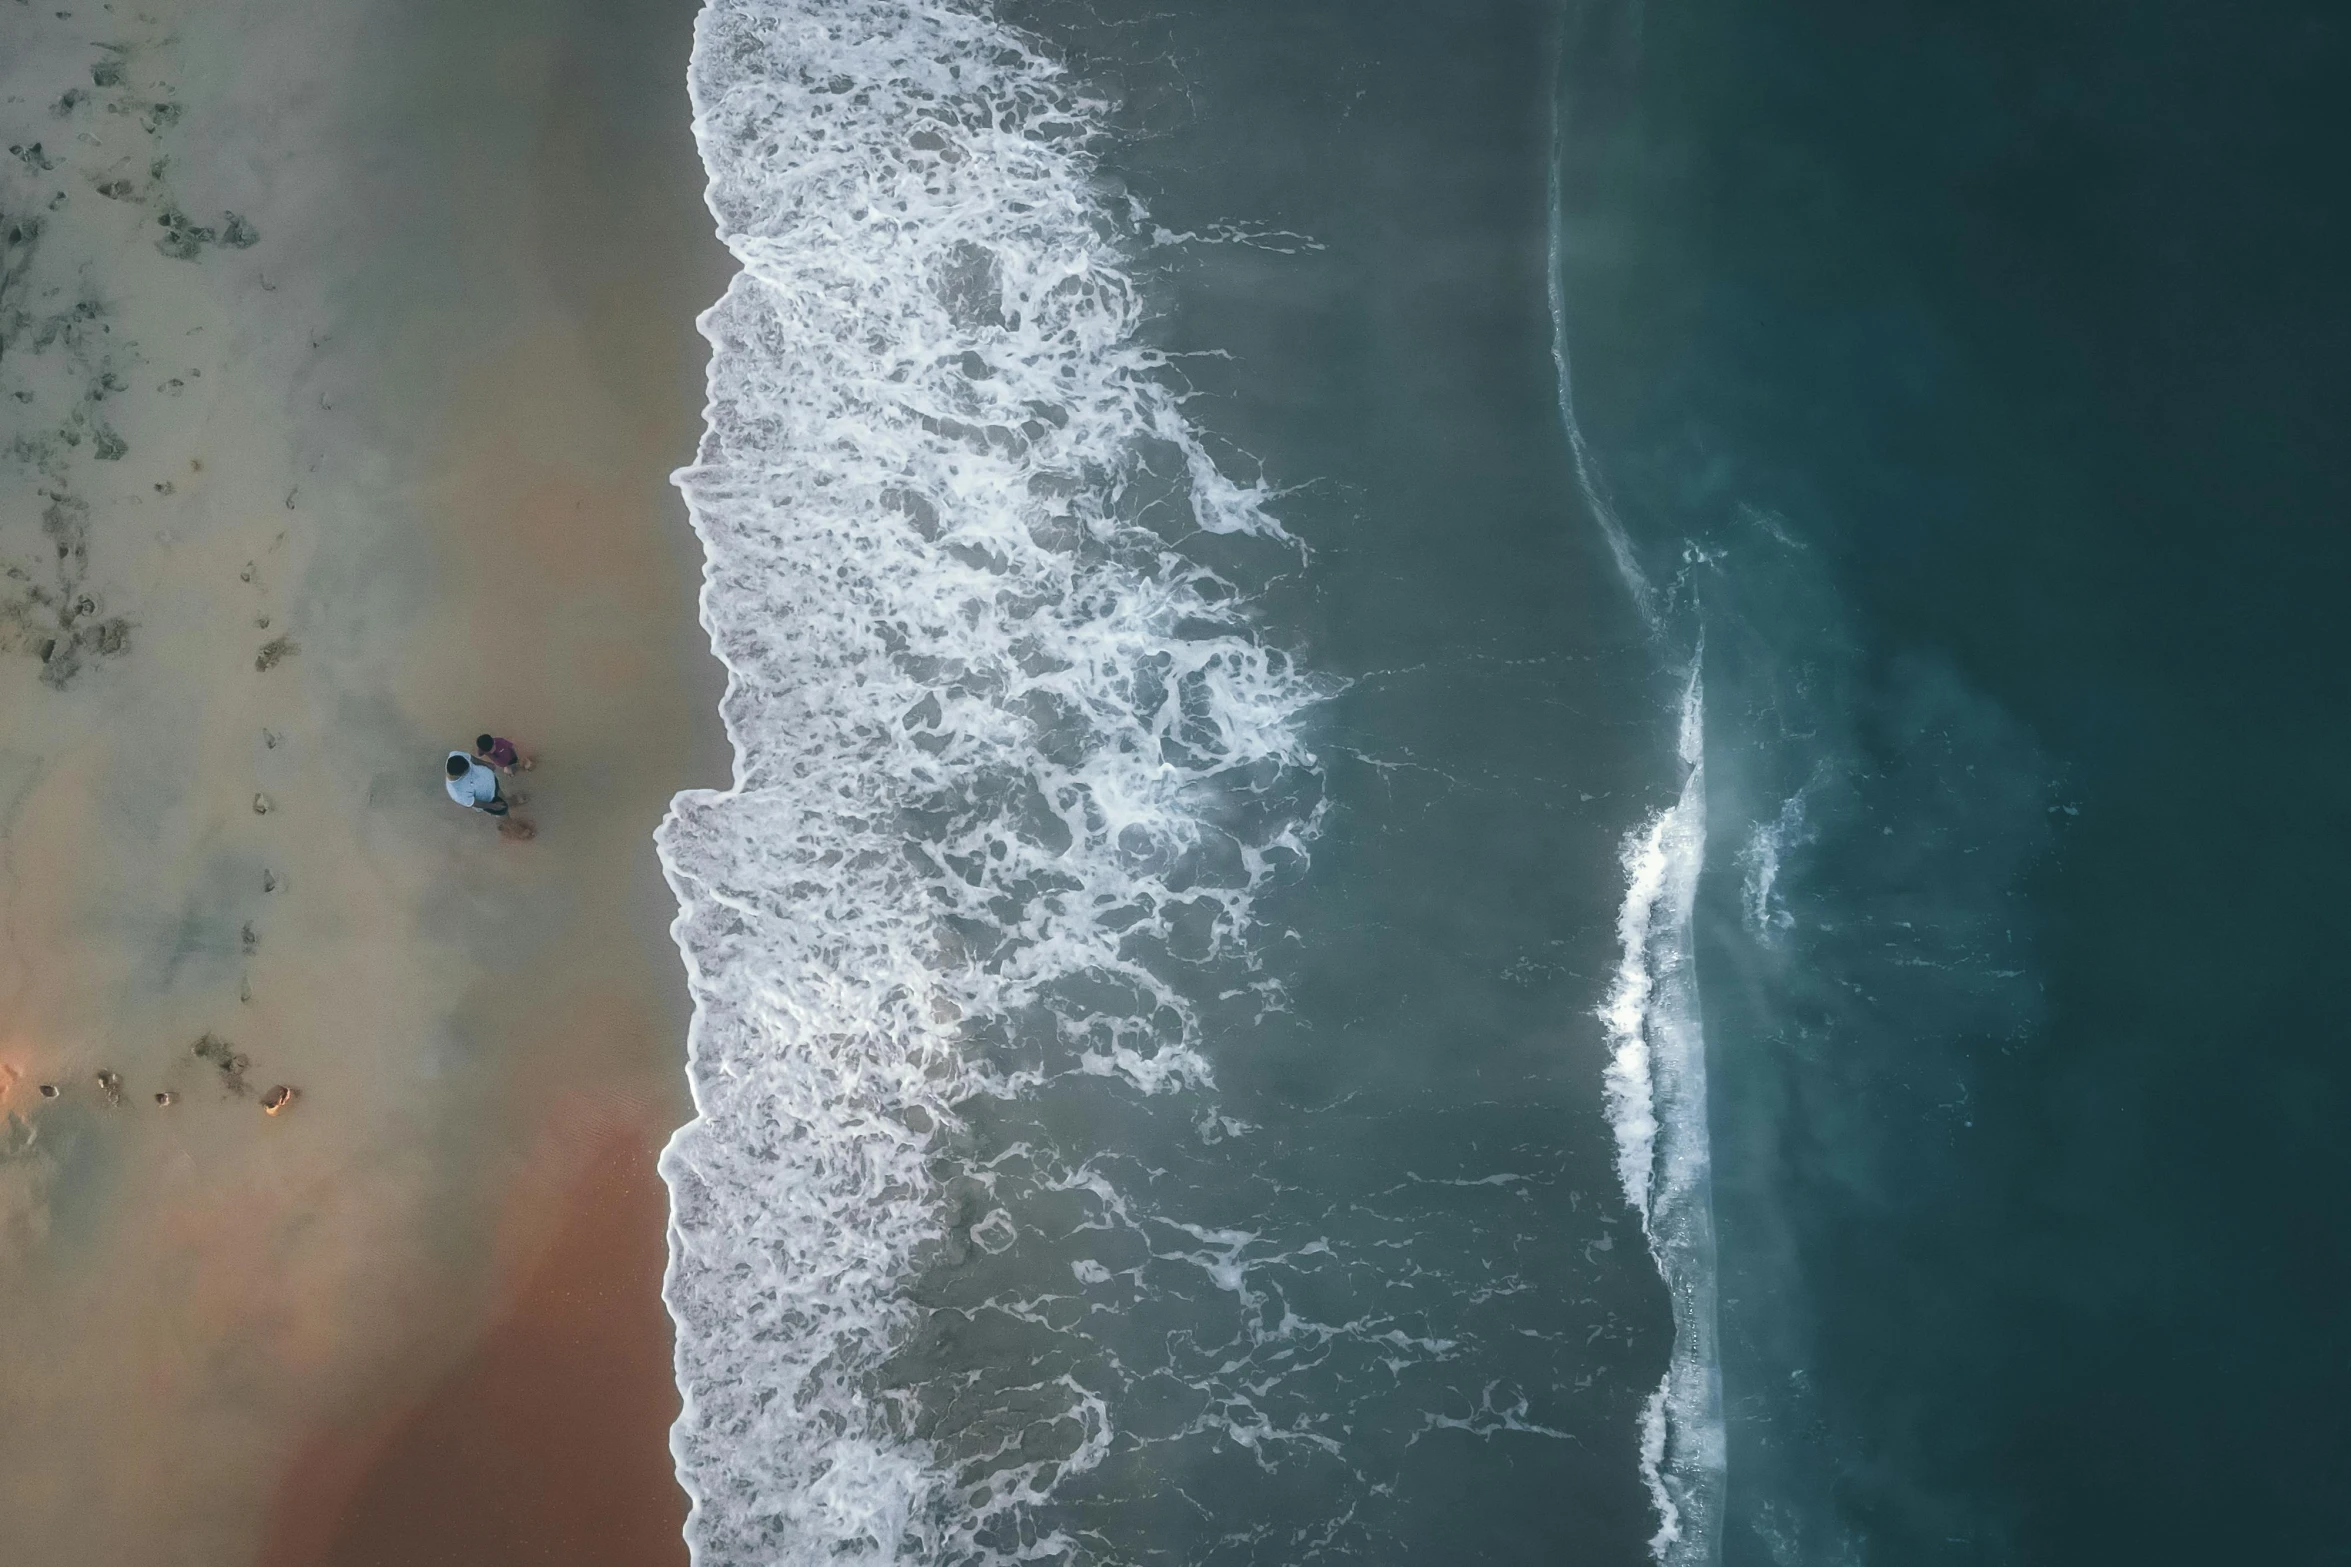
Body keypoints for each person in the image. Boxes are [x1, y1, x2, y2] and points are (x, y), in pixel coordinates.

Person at [446, 751, 510, 815]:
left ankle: (504, 799)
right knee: (502, 811)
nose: (471, 769)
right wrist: (493, 806)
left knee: (499, 791)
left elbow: (471, 758)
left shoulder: (455, 756)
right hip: (488, 799)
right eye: (468, 771)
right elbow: (474, 803)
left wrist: (485, 764)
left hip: (493, 782)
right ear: (460, 775)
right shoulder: (457, 793)